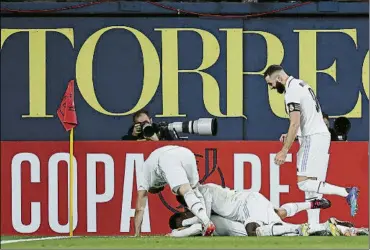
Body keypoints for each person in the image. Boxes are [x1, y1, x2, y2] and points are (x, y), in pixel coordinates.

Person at [263, 65, 359, 225]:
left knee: (304, 183)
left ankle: (347, 192)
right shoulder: (302, 85)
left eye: (271, 83)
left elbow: (294, 123)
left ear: (279, 78)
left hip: (311, 139)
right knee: (312, 189)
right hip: (321, 136)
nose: (272, 87)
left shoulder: (291, 91)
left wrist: (284, 150)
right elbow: (308, 117)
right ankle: (314, 227)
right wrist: (293, 135)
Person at [134, 145, 215, 237]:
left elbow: (139, 208)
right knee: (194, 190)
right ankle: (205, 222)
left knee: (186, 191)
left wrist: (137, 233)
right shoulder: (154, 171)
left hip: (166, 157)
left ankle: (207, 223)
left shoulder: (143, 176)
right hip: (187, 153)